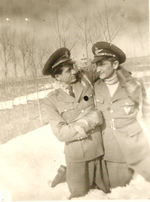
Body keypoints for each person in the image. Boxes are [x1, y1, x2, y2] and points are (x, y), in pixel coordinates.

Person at [42, 47, 110, 199]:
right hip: (77, 158)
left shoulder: (85, 80)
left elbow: (109, 68)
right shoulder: (51, 100)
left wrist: (126, 77)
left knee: (106, 195)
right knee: (80, 197)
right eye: (68, 70)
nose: (74, 71)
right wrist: (90, 121)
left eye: (72, 67)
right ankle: (64, 175)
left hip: (99, 151)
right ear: (57, 77)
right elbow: (61, 133)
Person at [91, 41, 150, 189]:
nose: (98, 69)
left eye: (102, 64)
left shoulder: (134, 84)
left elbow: (147, 112)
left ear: (115, 64)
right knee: (120, 191)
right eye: (96, 65)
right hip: (113, 151)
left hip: (137, 147)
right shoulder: (96, 86)